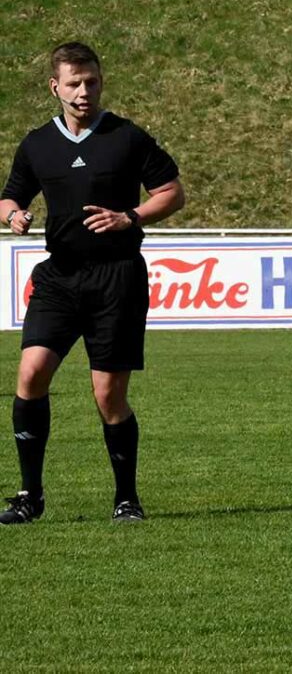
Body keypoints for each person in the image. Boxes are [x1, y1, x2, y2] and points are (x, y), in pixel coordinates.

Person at [0, 42, 185, 524]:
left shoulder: (126, 137)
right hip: (59, 277)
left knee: (108, 396)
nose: (84, 91)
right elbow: (8, 198)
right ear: (54, 87)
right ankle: (29, 495)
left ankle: (126, 498)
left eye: (92, 81)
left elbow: (171, 192)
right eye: (75, 83)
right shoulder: (37, 143)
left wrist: (131, 217)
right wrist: (15, 215)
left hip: (116, 279)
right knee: (31, 374)